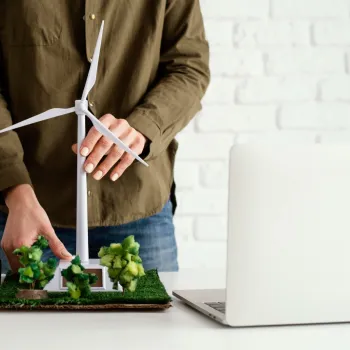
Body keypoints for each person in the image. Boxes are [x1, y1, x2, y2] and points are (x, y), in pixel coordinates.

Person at [0, 1, 210, 273]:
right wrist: (16, 191)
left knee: (156, 317)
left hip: (137, 206)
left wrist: (143, 127)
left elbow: (189, 67)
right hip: (25, 211)